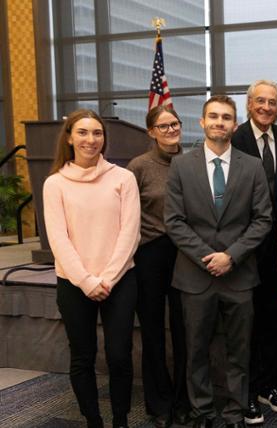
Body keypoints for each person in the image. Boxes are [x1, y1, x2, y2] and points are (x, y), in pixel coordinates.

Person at [164, 95, 272, 428]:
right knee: (197, 351)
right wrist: (206, 258)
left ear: (235, 125)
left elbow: (263, 220)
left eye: (226, 117)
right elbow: (174, 221)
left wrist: (231, 256)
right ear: (202, 122)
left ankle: (234, 412)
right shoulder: (181, 165)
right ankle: (202, 412)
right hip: (195, 277)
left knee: (238, 352)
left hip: (238, 276)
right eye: (213, 116)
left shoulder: (252, 167)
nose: (219, 122)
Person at [43, 109, 141, 428]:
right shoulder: (55, 183)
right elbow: (58, 239)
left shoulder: (123, 178)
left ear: (104, 139)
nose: (90, 139)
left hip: (119, 281)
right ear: (70, 137)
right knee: (82, 357)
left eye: (97, 133)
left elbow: (131, 233)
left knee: (119, 356)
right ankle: (93, 421)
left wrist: (108, 278)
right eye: (83, 133)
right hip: (74, 282)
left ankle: (121, 420)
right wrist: (86, 281)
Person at [231, 79, 277, 424]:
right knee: (247, 324)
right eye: (261, 101)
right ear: (249, 104)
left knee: (276, 320)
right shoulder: (234, 138)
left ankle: (268, 384)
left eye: (273, 102)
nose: (267, 107)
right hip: (243, 248)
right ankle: (245, 394)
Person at [127, 105, 191, 428]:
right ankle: (159, 402)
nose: (171, 130)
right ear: (151, 131)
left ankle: (183, 400)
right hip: (150, 254)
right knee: (152, 331)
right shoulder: (138, 167)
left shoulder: (193, 161)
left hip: (186, 253)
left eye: (175, 124)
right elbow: (127, 215)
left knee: (184, 331)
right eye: (163, 126)